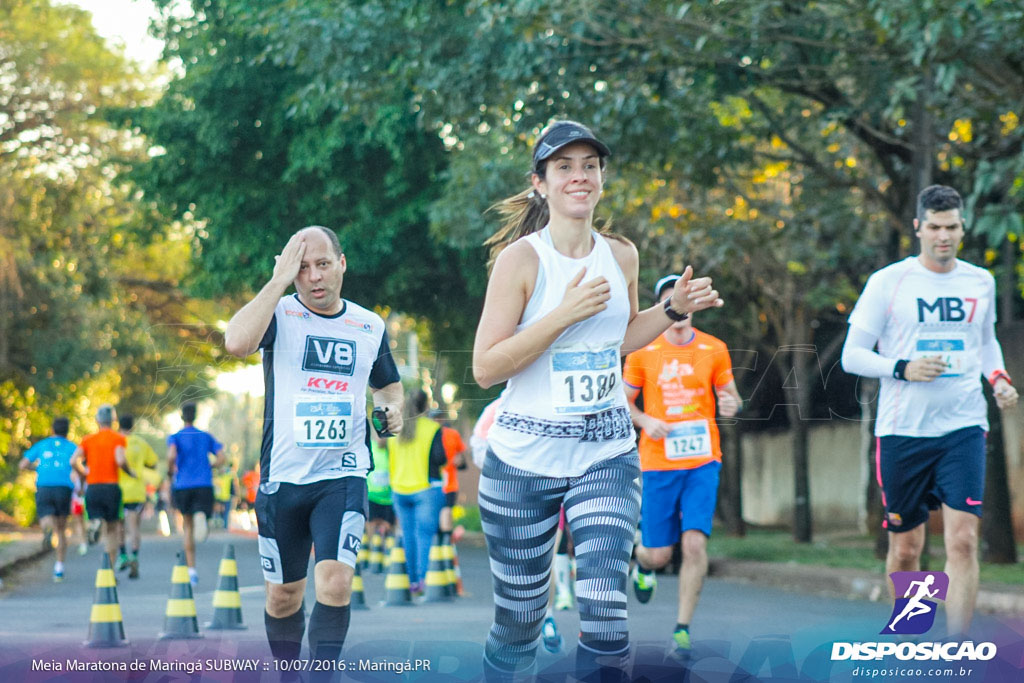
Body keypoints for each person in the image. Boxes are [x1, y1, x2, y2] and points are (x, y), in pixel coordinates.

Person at [472, 120, 722, 680]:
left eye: (590, 166)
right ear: (541, 183)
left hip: (605, 453)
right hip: (522, 461)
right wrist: (564, 313)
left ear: (602, 178)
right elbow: (485, 368)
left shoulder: (621, 254)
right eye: (564, 167)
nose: (579, 177)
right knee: (518, 624)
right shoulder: (521, 261)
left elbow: (623, 337)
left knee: (607, 615)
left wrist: (674, 310)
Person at [841, 184, 1018, 637]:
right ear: (919, 228)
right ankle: (912, 637)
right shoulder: (889, 282)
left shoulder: (981, 280)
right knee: (906, 548)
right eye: (935, 227)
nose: (944, 236)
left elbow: (985, 342)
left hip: (963, 426)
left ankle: (957, 648)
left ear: (963, 228)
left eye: (952, 227)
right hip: (903, 431)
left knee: (962, 541)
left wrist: (997, 378)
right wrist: (902, 368)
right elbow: (852, 355)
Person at [224, 225, 403, 668]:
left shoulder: (368, 325)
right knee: (284, 597)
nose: (315, 277)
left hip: (342, 475)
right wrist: (276, 281)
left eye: (323, 264)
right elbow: (235, 343)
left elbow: (389, 386)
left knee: (336, 583)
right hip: (283, 479)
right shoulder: (279, 313)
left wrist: (390, 410)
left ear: (342, 264)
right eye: (302, 269)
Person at [624, 273, 742, 657]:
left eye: (688, 298)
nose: (682, 307)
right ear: (664, 307)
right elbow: (623, 401)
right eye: (675, 299)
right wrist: (645, 421)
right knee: (658, 555)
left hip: (702, 461)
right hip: (658, 462)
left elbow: (731, 396)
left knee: (693, 544)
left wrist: (731, 404)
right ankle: (642, 564)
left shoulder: (714, 349)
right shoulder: (642, 351)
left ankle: (682, 629)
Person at [388, 389, 447, 599]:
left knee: (407, 535)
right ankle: (422, 581)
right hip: (425, 489)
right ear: (426, 406)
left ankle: (410, 580)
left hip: (398, 489)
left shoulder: (395, 428)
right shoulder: (432, 428)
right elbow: (440, 458)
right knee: (424, 536)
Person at [167, 401, 226, 587]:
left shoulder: (175, 437)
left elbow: (170, 456)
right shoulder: (205, 436)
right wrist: (211, 466)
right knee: (201, 514)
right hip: (204, 483)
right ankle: (203, 516)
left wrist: (171, 470)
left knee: (188, 527)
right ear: (196, 415)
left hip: (183, 484)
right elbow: (222, 457)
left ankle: (192, 571)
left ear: (182, 416)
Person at [71, 405, 133, 570]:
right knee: (112, 530)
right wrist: (130, 472)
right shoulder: (118, 439)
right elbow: (120, 460)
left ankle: (96, 521)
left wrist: (83, 473)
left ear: (97, 420)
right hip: (111, 488)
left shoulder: (87, 440)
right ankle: (109, 571)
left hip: (93, 487)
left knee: (97, 518)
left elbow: (73, 461)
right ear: (113, 421)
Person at [19, 416, 77, 581]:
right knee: (62, 529)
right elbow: (79, 465)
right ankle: (59, 568)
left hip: (44, 486)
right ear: (67, 431)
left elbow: (22, 465)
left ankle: (48, 529)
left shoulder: (42, 444)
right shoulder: (72, 447)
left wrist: (36, 467)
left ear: (52, 429)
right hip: (64, 487)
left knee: (46, 518)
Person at [117, 413, 159, 579]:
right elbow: (154, 463)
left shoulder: (117, 442)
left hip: (118, 491)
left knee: (118, 526)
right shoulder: (141, 443)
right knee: (134, 527)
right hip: (136, 491)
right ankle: (134, 556)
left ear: (119, 425)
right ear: (133, 427)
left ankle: (122, 556)